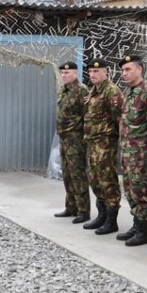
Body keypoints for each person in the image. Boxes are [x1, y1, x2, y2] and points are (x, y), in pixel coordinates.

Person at [116, 55, 147, 247]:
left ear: (139, 69)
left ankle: (144, 231)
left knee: (140, 190)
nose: (124, 73)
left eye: (128, 69)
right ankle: (136, 224)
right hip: (128, 152)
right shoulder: (130, 93)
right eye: (123, 70)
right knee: (130, 189)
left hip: (140, 154)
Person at [82, 58, 123, 235]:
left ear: (106, 72)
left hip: (106, 144)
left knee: (107, 180)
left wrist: (114, 140)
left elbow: (118, 118)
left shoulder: (111, 91)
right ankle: (102, 215)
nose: (92, 75)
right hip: (93, 143)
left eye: (96, 71)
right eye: (90, 71)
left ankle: (111, 221)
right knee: (95, 179)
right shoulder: (93, 91)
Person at [54, 61, 90, 223]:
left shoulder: (81, 91)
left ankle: (83, 210)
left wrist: (84, 137)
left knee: (78, 174)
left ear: (75, 74)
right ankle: (71, 207)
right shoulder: (63, 90)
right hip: (64, 138)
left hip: (76, 139)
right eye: (62, 73)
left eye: (67, 73)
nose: (64, 75)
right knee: (67, 174)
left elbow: (86, 115)